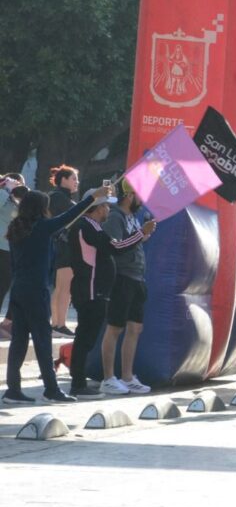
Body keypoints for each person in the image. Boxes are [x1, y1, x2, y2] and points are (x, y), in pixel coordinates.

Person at [3, 183, 110, 404]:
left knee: (19, 342)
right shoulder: (42, 227)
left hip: (19, 290)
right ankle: (51, 390)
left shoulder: (16, 228)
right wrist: (93, 198)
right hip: (36, 291)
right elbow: (70, 216)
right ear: (41, 208)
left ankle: (13, 390)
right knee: (42, 340)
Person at [67, 194, 154, 398]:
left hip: (98, 288)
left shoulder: (93, 226)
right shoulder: (86, 226)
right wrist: (140, 233)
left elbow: (114, 246)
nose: (108, 209)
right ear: (96, 209)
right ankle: (80, 383)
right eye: (105, 206)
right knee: (85, 338)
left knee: (87, 337)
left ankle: (114, 378)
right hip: (89, 287)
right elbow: (116, 247)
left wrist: (140, 235)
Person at [97, 180, 156, 395]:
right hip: (121, 278)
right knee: (115, 327)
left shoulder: (131, 217)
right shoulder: (115, 216)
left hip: (137, 277)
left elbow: (130, 242)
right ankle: (108, 377)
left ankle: (128, 376)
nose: (142, 201)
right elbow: (115, 246)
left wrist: (144, 234)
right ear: (129, 196)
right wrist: (141, 234)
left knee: (135, 328)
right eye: (139, 195)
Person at [48, 164, 80, 336]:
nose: (77, 182)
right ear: (63, 180)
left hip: (67, 247)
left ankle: (60, 323)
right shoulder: (57, 197)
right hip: (61, 246)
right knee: (62, 287)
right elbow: (73, 217)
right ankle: (57, 324)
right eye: (74, 178)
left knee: (65, 287)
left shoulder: (65, 198)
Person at [0, 173, 26, 340]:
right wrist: (6, 189)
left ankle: (7, 323)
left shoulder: (15, 201)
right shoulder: (3, 197)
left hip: (10, 249)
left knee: (6, 285)